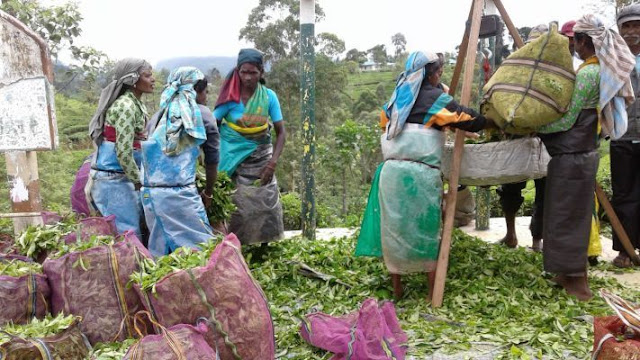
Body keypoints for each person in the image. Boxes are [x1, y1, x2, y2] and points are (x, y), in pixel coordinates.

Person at [356, 51, 495, 298]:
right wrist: (490, 121)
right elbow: (465, 117)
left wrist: (442, 124)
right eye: (439, 73)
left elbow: (389, 125)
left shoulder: (396, 98)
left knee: (395, 231)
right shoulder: (434, 98)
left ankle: (398, 289)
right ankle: (432, 291)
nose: (440, 77)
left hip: (391, 174)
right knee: (427, 230)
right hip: (420, 175)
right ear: (430, 74)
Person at [537, 14, 635, 300]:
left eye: (575, 41)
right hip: (576, 155)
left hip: (575, 155)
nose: (574, 47)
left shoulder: (589, 73)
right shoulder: (595, 69)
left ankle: (578, 282)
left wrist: (536, 126)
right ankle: (565, 273)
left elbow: (567, 119)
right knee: (563, 215)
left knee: (569, 218)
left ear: (583, 41)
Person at [142, 67, 219, 256]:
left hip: (150, 195)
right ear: (196, 91)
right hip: (180, 196)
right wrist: (208, 192)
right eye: (205, 91)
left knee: (161, 254)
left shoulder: (158, 116)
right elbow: (212, 159)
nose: (206, 97)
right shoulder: (201, 114)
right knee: (200, 252)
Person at [213, 49, 286, 245]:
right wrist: (213, 154)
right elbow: (213, 128)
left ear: (261, 72)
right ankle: (237, 248)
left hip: (262, 158)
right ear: (238, 71)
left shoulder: (269, 97)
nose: (248, 77)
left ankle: (266, 246)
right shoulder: (230, 99)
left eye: (253, 73)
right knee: (238, 206)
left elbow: (281, 132)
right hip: (234, 161)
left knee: (268, 203)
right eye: (244, 72)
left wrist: (272, 163)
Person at [87, 58, 155, 238]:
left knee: (133, 232)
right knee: (127, 235)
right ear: (132, 80)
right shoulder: (126, 106)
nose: (152, 79)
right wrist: (138, 182)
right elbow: (124, 151)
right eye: (147, 76)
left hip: (121, 177)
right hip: (114, 179)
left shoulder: (136, 103)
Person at [496, 24, 548, 252]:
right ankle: (511, 235)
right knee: (509, 189)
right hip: (516, 139)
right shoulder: (516, 72)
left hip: (545, 141)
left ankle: (537, 240)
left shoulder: (552, 75)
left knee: (544, 192)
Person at [611, 4, 640, 268]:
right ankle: (624, 249)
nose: (632, 32)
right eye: (626, 26)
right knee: (623, 195)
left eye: (637, 26)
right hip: (622, 136)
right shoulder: (614, 60)